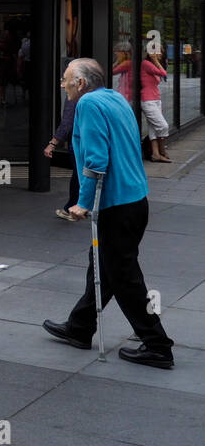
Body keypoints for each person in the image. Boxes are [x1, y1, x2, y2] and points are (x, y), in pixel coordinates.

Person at [43, 59, 175, 369]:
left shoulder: (87, 104)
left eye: (66, 80)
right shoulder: (116, 98)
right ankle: (79, 326)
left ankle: (157, 344)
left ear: (82, 84)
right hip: (135, 199)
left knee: (124, 276)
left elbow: (96, 160)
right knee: (102, 267)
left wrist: (83, 202)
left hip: (117, 204)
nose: (63, 85)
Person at [44, 93, 80, 220]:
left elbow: (67, 122)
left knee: (78, 174)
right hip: (96, 141)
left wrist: (52, 143)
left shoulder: (74, 96)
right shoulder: (98, 94)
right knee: (88, 173)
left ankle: (71, 209)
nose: (62, 85)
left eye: (65, 80)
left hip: (79, 141)